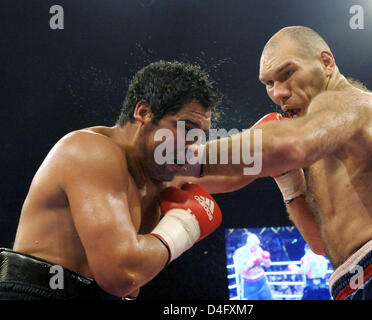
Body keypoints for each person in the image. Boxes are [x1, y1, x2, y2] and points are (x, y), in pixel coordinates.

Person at [176, 26, 372, 300]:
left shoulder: (356, 105)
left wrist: (178, 159)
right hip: (350, 283)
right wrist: (292, 187)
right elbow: (320, 243)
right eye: (269, 83)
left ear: (326, 63)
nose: (278, 93)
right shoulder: (317, 148)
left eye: (287, 74)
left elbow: (287, 145)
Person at [0, 60, 224, 300]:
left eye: (200, 136)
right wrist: (183, 226)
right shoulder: (90, 151)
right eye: (187, 129)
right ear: (144, 112)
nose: (193, 145)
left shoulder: (159, 172)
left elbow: (246, 165)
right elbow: (121, 274)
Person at [233, 233, 273, 300]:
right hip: (249, 285)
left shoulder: (259, 249)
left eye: (258, 245)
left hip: (262, 281)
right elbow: (241, 272)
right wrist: (251, 263)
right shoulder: (240, 253)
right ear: (249, 244)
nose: (257, 247)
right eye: (255, 245)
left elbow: (268, 265)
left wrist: (265, 259)